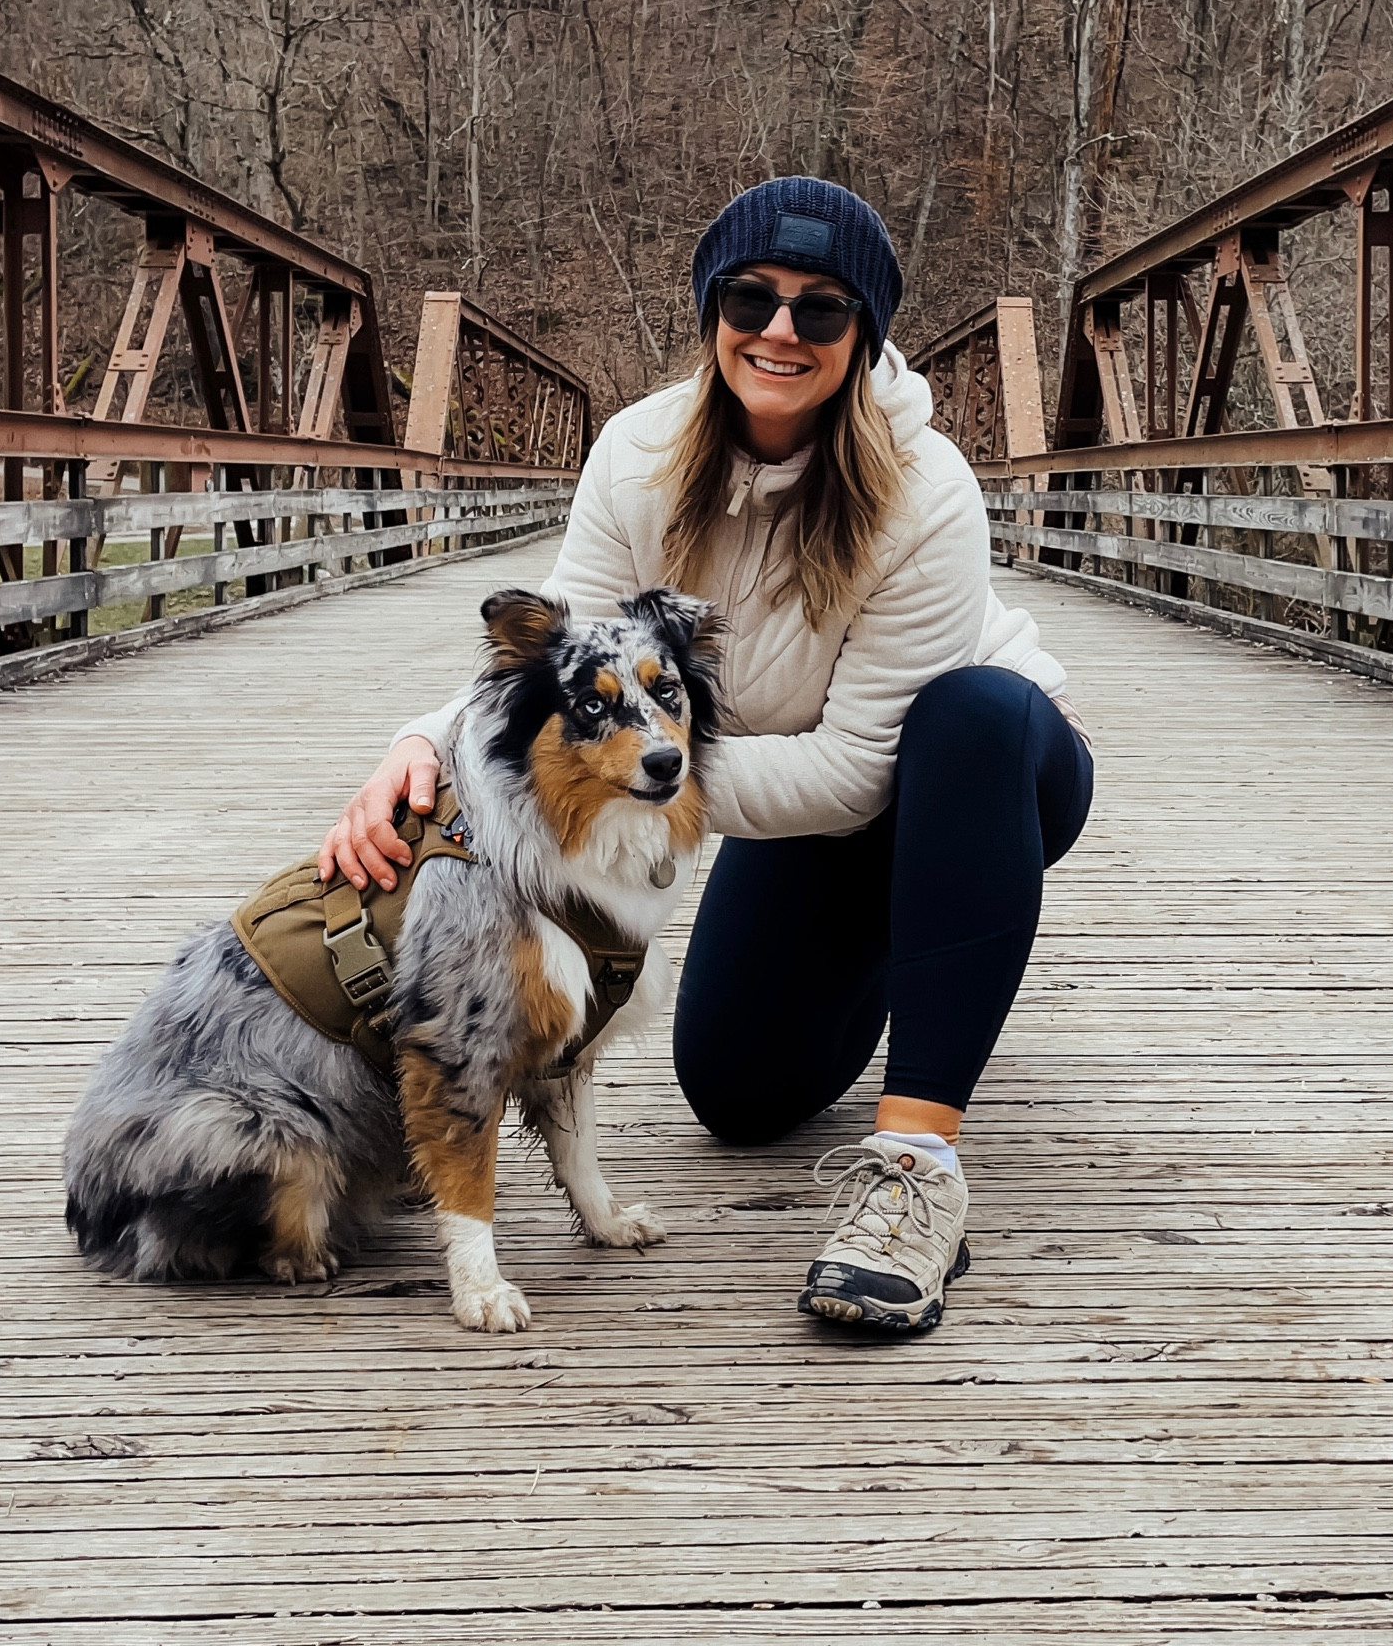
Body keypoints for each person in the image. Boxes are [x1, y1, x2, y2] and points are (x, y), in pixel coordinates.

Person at [319, 178, 1093, 1333]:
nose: (781, 329)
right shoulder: (637, 452)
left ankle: (919, 1170)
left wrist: (613, 781)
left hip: (975, 770)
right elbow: (559, 666)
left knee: (970, 716)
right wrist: (419, 745)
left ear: (864, 332)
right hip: (785, 783)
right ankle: (927, 940)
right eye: (751, 296)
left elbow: (849, 771)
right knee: (735, 1089)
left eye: (823, 309)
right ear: (712, 309)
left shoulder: (928, 491)